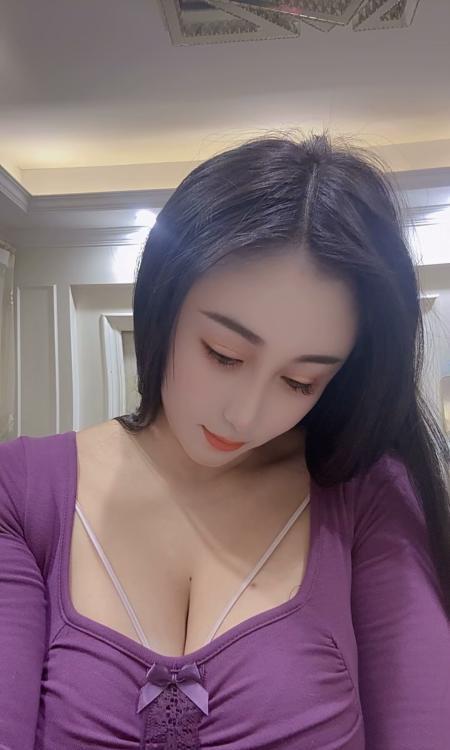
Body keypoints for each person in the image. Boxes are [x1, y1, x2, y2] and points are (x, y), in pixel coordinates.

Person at [0, 133, 449, 750]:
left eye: (300, 382)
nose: (244, 416)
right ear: (165, 300)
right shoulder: (21, 492)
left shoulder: (367, 496)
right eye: (223, 354)